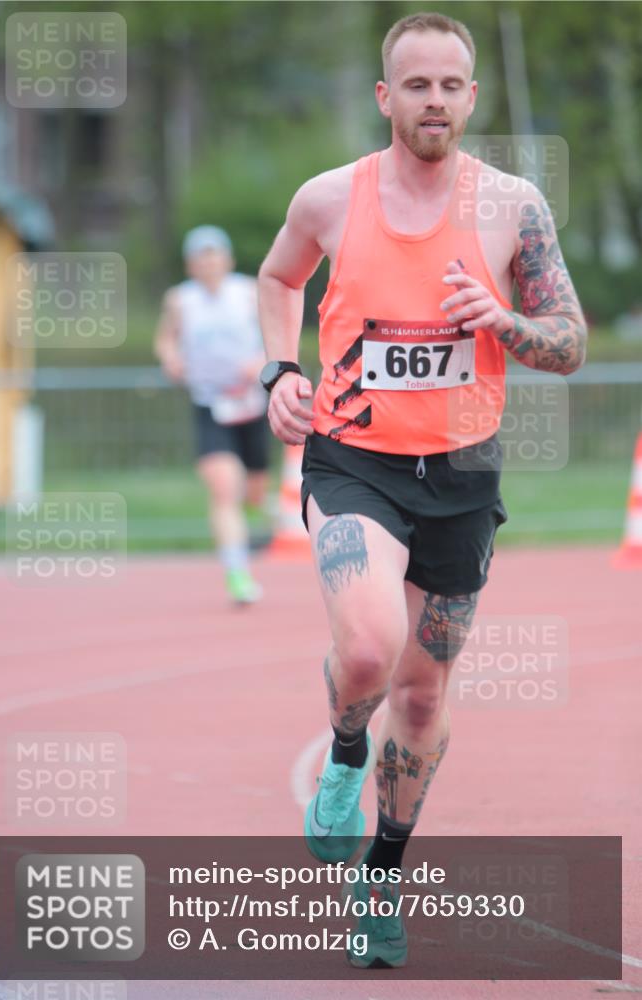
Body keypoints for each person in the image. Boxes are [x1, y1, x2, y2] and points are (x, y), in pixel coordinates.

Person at [258, 11, 586, 968]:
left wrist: (502, 319)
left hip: (461, 471)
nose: (433, 100)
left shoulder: (512, 206)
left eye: (449, 85)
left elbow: (567, 340)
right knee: (367, 649)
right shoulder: (328, 197)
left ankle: (383, 874)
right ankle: (341, 754)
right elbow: (280, 279)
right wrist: (279, 371)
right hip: (352, 458)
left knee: (421, 687)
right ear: (385, 97)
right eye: (415, 85)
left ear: (470, 97)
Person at [155, 225, 269, 605]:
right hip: (210, 403)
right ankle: (237, 572)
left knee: (253, 492)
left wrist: (264, 362)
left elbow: (276, 333)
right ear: (190, 265)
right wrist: (170, 357)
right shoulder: (179, 300)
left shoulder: (249, 292)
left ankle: (256, 518)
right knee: (224, 488)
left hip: (251, 403)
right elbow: (166, 337)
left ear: (228, 259)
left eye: (214, 254)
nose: (208, 262)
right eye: (201, 256)